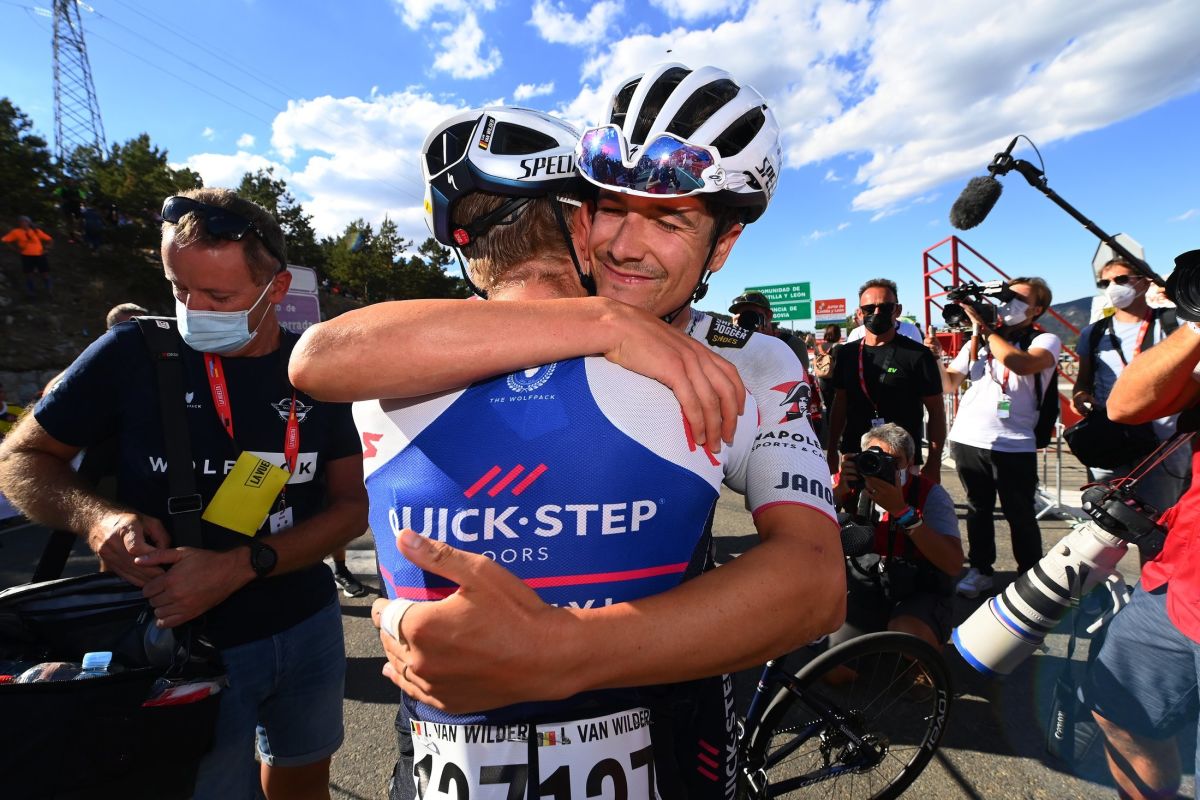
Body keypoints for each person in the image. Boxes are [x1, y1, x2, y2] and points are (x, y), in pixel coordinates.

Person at [290, 65, 844, 795]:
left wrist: (562, 651)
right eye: (611, 207)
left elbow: (815, 586)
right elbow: (319, 357)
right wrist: (603, 321)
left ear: (723, 245)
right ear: (580, 217)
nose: (625, 247)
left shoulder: (750, 359)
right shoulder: (466, 332)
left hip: (670, 744)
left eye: (669, 221)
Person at [0, 188, 368, 800]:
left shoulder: (315, 369)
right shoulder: (133, 353)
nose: (193, 311)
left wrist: (241, 565)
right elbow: (21, 459)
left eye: (218, 297)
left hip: (306, 625)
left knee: (304, 778)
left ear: (276, 288)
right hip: (172, 642)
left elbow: (351, 506)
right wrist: (98, 521)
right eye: (178, 289)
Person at [1083, 248, 1200, 800]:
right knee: (1116, 712)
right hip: (1180, 584)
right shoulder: (1103, 332)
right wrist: (1196, 323)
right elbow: (1125, 403)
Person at [932, 276, 1060, 598]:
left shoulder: (1045, 340)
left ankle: (1029, 577)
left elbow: (1021, 364)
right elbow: (949, 383)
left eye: (1019, 299)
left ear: (1037, 309)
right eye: (1006, 297)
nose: (1008, 304)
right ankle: (980, 570)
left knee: (1021, 514)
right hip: (969, 438)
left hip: (1015, 443)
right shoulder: (977, 341)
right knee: (978, 510)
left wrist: (986, 330)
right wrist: (935, 358)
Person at [830, 423, 963, 649]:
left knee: (909, 639)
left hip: (917, 586)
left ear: (910, 463)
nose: (880, 466)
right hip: (867, 583)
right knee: (836, 661)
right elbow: (806, 533)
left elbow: (953, 564)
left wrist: (902, 512)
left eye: (893, 462)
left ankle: (922, 647)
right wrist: (837, 496)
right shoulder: (847, 483)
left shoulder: (930, 494)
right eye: (872, 458)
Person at [1072, 258, 1187, 515]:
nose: (1112, 287)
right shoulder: (1093, 333)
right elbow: (1083, 380)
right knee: (1106, 520)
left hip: (1162, 444)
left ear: (1144, 282)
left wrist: (1178, 295)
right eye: (1105, 283)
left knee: (1157, 521)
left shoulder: (1173, 323)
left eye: (1121, 279)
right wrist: (1080, 395)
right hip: (1111, 438)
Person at [825, 278, 946, 484]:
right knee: (854, 504)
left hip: (902, 458)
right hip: (854, 454)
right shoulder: (846, 353)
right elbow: (840, 403)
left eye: (885, 307)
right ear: (860, 313)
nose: (877, 313)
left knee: (903, 505)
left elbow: (936, 410)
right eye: (869, 308)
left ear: (897, 310)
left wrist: (934, 462)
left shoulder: (918, 355)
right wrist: (832, 451)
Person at [729, 290, 810, 371]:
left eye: (752, 316)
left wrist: (763, 341)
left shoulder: (792, 344)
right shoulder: (732, 346)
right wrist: (735, 336)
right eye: (743, 317)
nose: (748, 321)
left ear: (769, 315)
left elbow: (799, 376)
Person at [2, 215, 53, 297]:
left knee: (45, 273)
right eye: (21, 222)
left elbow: (49, 239)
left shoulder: (36, 231)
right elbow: (5, 240)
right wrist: (15, 249)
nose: (23, 223)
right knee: (28, 274)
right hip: (26, 256)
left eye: (25, 222)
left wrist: (47, 249)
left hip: (39, 255)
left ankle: (49, 289)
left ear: (29, 223)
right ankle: (31, 291)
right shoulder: (16, 232)